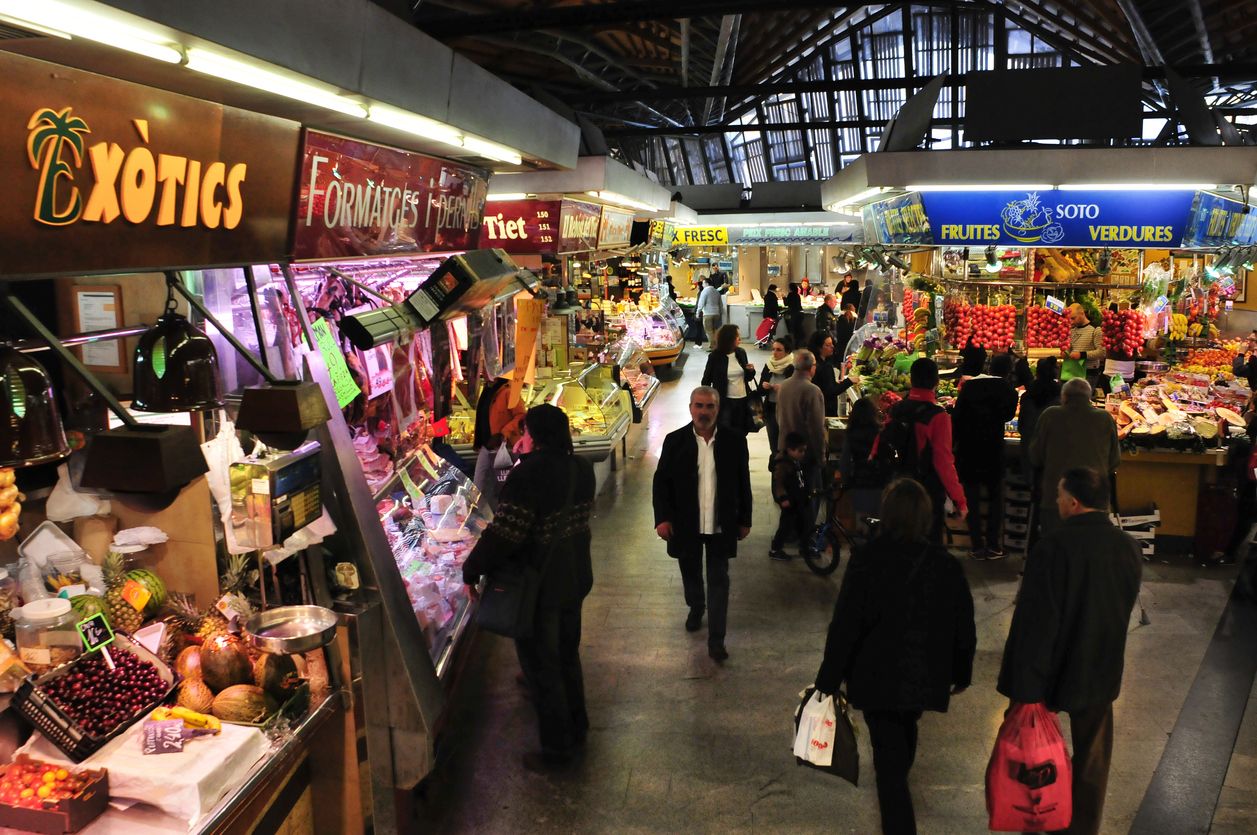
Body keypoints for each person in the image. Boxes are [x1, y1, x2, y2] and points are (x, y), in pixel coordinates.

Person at [814, 477, 976, 835]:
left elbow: (845, 624)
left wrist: (828, 677)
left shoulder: (867, 561)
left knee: (890, 769)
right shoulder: (944, 564)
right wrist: (961, 671)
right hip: (923, 676)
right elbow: (964, 624)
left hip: (876, 677)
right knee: (900, 745)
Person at [998, 467, 1142, 835]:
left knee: (1033, 749)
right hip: (1101, 667)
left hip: (1051, 669)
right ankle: (1083, 827)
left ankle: (1041, 815)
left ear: (1074, 503)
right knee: (1093, 760)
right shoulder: (1128, 548)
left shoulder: (1053, 548)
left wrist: (1022, 685)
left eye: (1060, 496)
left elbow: (1035, 621)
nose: (1057, 502)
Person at [461, 404, 597, 770]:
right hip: (575, 575)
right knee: (567, 654)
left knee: (540, 666)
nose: (521, 439)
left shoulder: (529, 475)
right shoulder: (582, 468)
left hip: (539, 585)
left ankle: (556, 750)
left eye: (525, 433)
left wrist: (471, 568)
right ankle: (577, 723)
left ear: (534, 436)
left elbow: (507, 533)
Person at [652, 387, 753, 662]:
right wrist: (662, 518)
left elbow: (743, 482)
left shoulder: (733, 441)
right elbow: (661, 483)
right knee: (691, 571)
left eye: (709, 407)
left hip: (721, 524)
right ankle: (696, 606)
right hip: (686, 524)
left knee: (719, 580)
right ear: (690, 408)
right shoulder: (675, 441)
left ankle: (716, 640)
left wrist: (745, 518)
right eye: (699, 406)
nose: (704, 412)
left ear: (717, 410)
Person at [874, 358, 968, 543]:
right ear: (936, 382)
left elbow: (878, 445)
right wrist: (960, 500)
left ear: (911, 379)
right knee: (927, 551)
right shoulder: (939, 416)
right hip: (926, 497)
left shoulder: (896, 409)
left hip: (896, 490)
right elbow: (943, 462)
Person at [1029, 378, 1119, 537]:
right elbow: (1114, 461)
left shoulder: (1050, 415)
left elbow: (1036, 456)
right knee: (1091, 551)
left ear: (1064, 397)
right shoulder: (1105, 418)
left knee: (1056, 549)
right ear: (1089, 397)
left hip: (1055, 500)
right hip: (1095, 501)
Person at [953, 353, 1019, 559]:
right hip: (993, 449)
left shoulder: (970, 386)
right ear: (1008, 371)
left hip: (969, 449)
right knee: (995, 498)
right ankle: (993, 545)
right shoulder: (1008, 390)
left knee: (971, 497)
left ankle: (976, 545)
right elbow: (1008, 416)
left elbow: (958, 415)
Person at [777, 349, 827, 522]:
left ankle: (792, 533)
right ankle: (807, 536)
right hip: (806, 454)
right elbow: (816, 428)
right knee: (811, 496)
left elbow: (779, 418)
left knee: (792, 495)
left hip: (785, 449)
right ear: (811, 367)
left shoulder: (784, 386)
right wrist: (821, 456)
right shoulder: (812, 391)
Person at [471, 375, 527, 510]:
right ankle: (479, 516)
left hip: (504, 447)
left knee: (504, 489)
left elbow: (521, 415)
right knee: (479, 485)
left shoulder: (508, 391)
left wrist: (503, 433)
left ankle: (504, 518)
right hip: (487, 446)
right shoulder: (488, 389)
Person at [701, 324, 756, 432]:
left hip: (743, 399)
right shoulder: (715, 357)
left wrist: (751, 371)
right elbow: (706, 381)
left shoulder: (741, 353)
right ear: (729, 338)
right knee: (725, 431)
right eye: (737, 336)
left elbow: (747, 378)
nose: (740, 338)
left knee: (742, 431)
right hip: (724, 401)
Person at [839, 396, 885, 519]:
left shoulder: (851, 435)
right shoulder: (881, 433)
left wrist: (846, 483)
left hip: (860, 484)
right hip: (881, 484)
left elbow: (844, 462)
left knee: (863, 525)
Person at [770, 432, 813, 561]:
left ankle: (804, 546)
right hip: (789, 501)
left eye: (804, 451)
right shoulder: (783, 464)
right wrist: (783, 498)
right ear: (790, 450)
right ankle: (775, 549)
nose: (803, 454)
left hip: (797, 500)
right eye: (800, 451)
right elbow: (778, 483)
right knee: (786, 525)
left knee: (802, 524)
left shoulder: (796, 462)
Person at [759, 335, 795, 464]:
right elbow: (760, 389)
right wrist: (765, 387)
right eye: (773, 349)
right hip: (771, 408)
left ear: (787, 352)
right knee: (774, 445)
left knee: (787, 444)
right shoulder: (769, 366)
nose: (775, 352)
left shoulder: (792, 367)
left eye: (779, 350)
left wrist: (783, 388)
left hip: (787, 410)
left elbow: (796, 391)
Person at [807, 331, 857, 418]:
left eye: (832, 344)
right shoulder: (825, 367)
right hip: (826, 411)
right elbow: (831, 391)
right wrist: (849, 381)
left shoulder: (815, 362)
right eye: (828, 345)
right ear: (819, 348)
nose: (832, 347)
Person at [1065, 303, 1105, 386]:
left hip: (1089, 373)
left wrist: (1082, 355)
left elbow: (1102, 352)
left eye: (1073, 318)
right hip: (1073, 370)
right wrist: (1066, 352)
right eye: (1070, 319)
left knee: (1084, 398)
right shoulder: (1071, 330)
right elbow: (1070, 348)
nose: (1071, 322)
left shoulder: (1096, 329)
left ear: (1082, 313)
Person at [697, 276, 723, 349]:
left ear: (706, 283)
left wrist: (697, 312)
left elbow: (701, 303)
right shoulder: (716, 291)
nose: (702, 285)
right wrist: (720, 313)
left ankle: (713, 347)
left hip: (708, 314)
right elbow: (720, 304)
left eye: (703, 283)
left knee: (709, 331)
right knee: (715, 331)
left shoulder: (705, 291)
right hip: (717, 314)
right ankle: (716, 346)